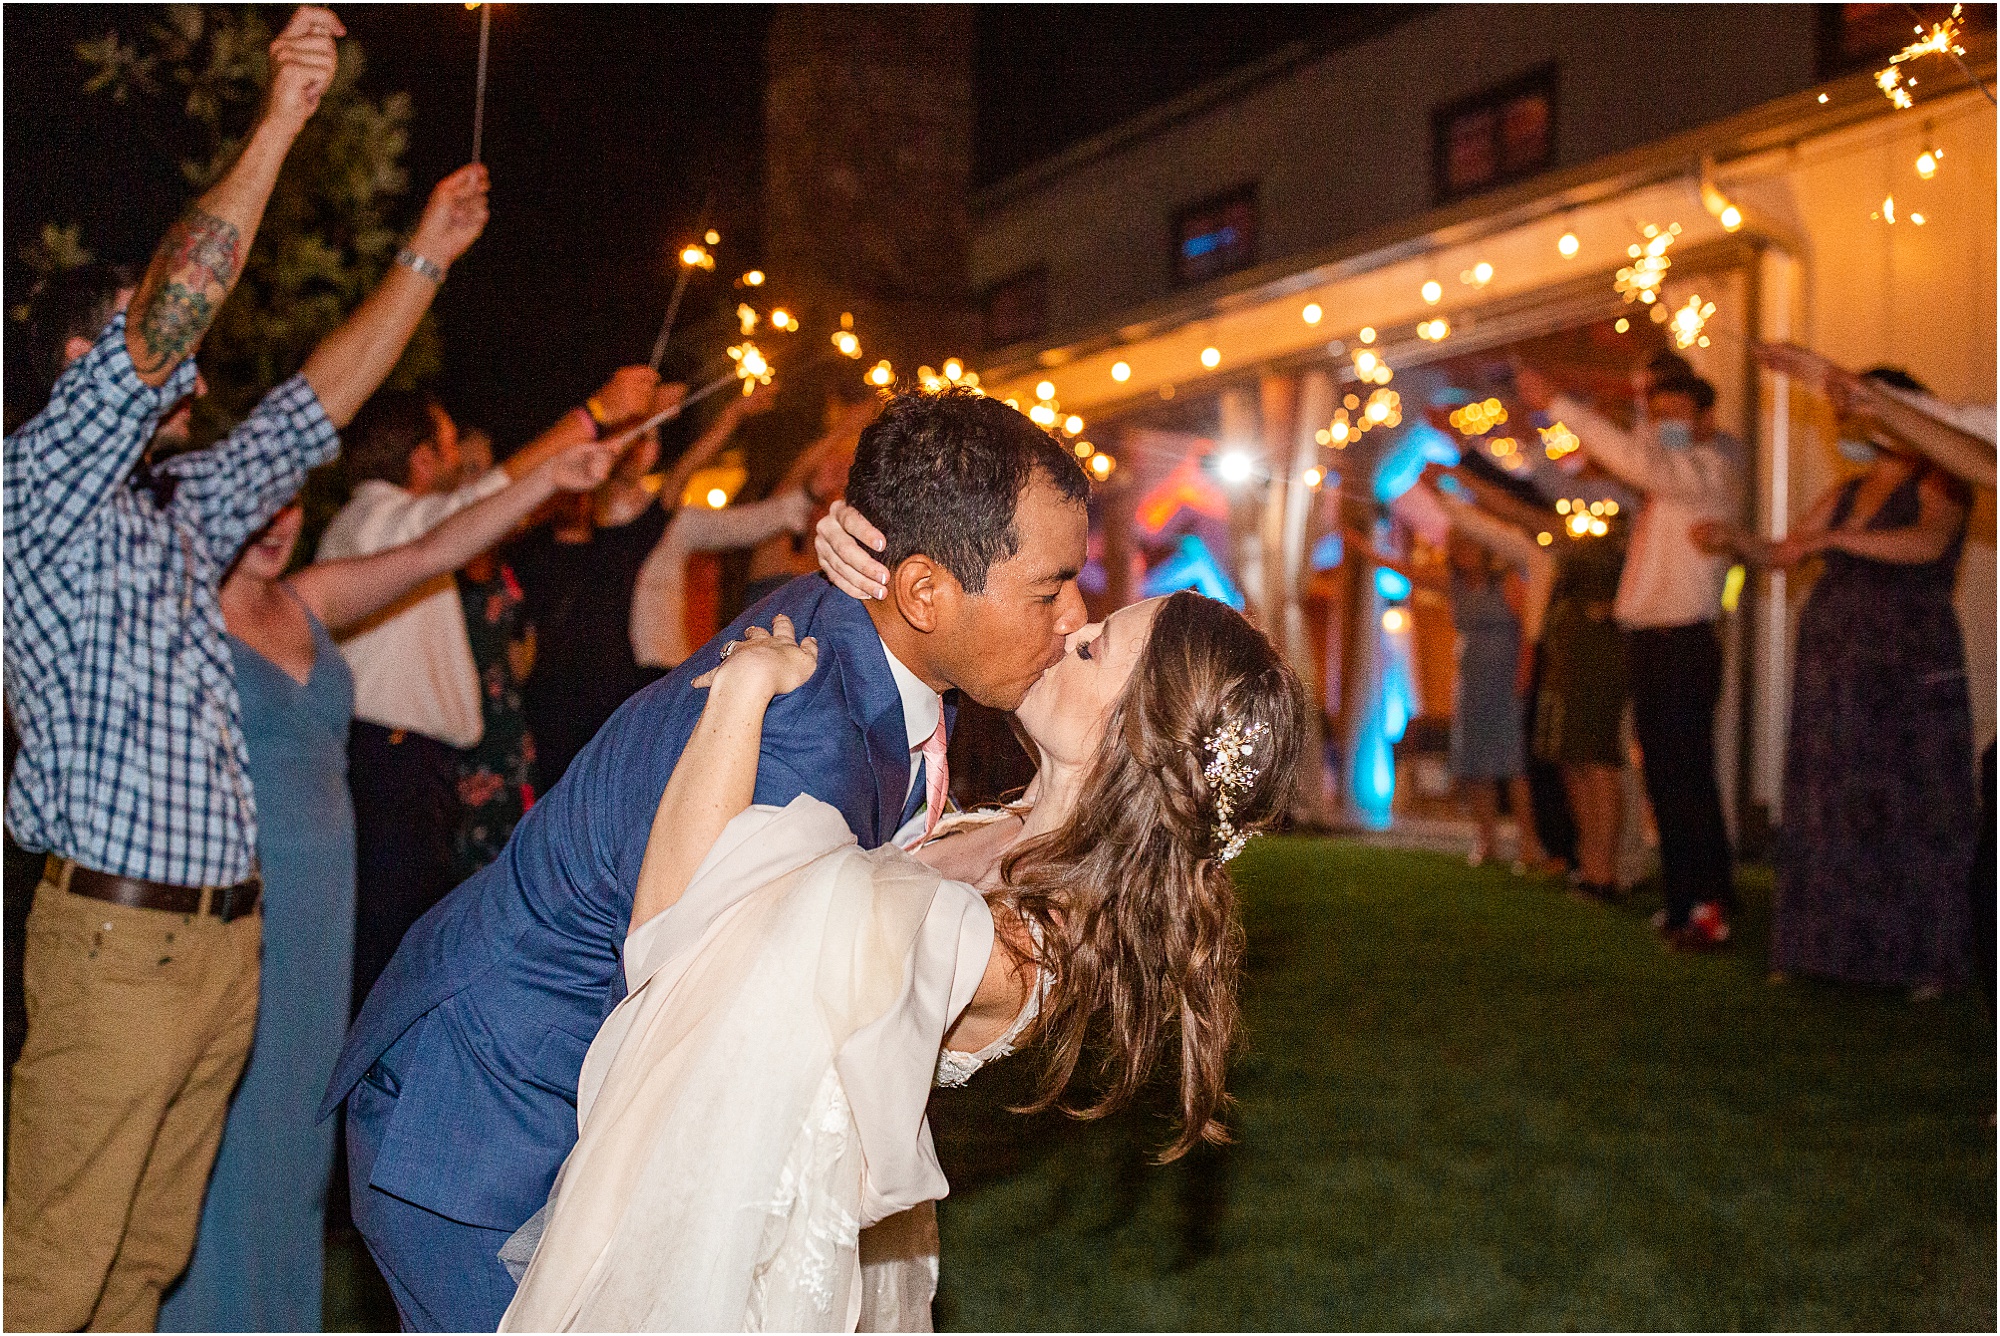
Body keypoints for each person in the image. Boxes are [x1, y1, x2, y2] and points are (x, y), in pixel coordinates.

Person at [326, 388, 1092, 1331]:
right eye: (1052, 588)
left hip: (543, 1090)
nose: (1072, 616)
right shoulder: (803, 738)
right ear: (927, 591)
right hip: (485, 1116)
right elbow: (686, 968)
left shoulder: (877, 643)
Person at [1, 10, 478, 1326]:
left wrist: (425, 261)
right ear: (76, 367)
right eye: (146, 346)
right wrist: (279, 122)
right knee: (49, 1276)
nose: (189, 366)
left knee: (142, 1274)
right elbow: (171, 314)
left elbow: (313, 407)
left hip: (221, 952)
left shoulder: (181, 511)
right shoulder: (34, 488)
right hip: (114, 941)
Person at [500, 581, 1304, 1330]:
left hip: (741, 1246)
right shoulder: (1009, 836)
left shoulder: (1014, 944)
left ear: (1135, 736)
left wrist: (743, 691)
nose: (1072, 626)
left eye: (1096, 647)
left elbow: (672, 923)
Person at [160, 437, 614, 1332]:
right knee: (224, 1122)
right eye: (256, 504)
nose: (277, 522)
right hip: (233, 890)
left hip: (326, 897)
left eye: (290, 502)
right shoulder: (177, 612)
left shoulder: (308, 600)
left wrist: (541, 481)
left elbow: (434, 550)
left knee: (298, 1127)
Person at [318, 369, 657, 1012]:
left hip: (414, 771)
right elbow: (476, 509)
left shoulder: (389, 522)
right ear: (421, 460)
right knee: (384, 958)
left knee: (403, 951)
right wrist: (590, 413)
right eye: (448, 446)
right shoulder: (381, 522)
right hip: (389, 768)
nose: (460, 463)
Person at [1698, 367, 1975, 992]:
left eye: (1861, 406)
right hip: (1834, 663)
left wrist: (1834, 539)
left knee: (1905, 803)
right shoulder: (1847, 491)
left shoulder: (1943, 480)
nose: (1850, 419)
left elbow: (1927, 544)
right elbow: (1782, 551)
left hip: (1907, 663)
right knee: (1830, 797)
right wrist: (1734, 539)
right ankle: (1824, 953)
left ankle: (1919, 961)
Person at [1517, 361, 1742, 946]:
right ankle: (1682, 900)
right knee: (1663, 780)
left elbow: (1641, 460)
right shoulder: (1662, 484)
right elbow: (1629, 461)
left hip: (1685, 642)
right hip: (1646, 642)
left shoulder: (1707, 473)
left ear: (1706, 419)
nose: (1662, 425)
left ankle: (1709, 905)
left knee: (1688, 777)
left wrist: (1561, 402)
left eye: (1676, 415)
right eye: (1656, 414)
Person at [512, 381, 776, 785]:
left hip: (611, 702)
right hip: (550, 710)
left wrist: (731, 416)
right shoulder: (529, 551)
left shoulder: (621, 542)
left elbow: (679, 477)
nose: (576, 495)